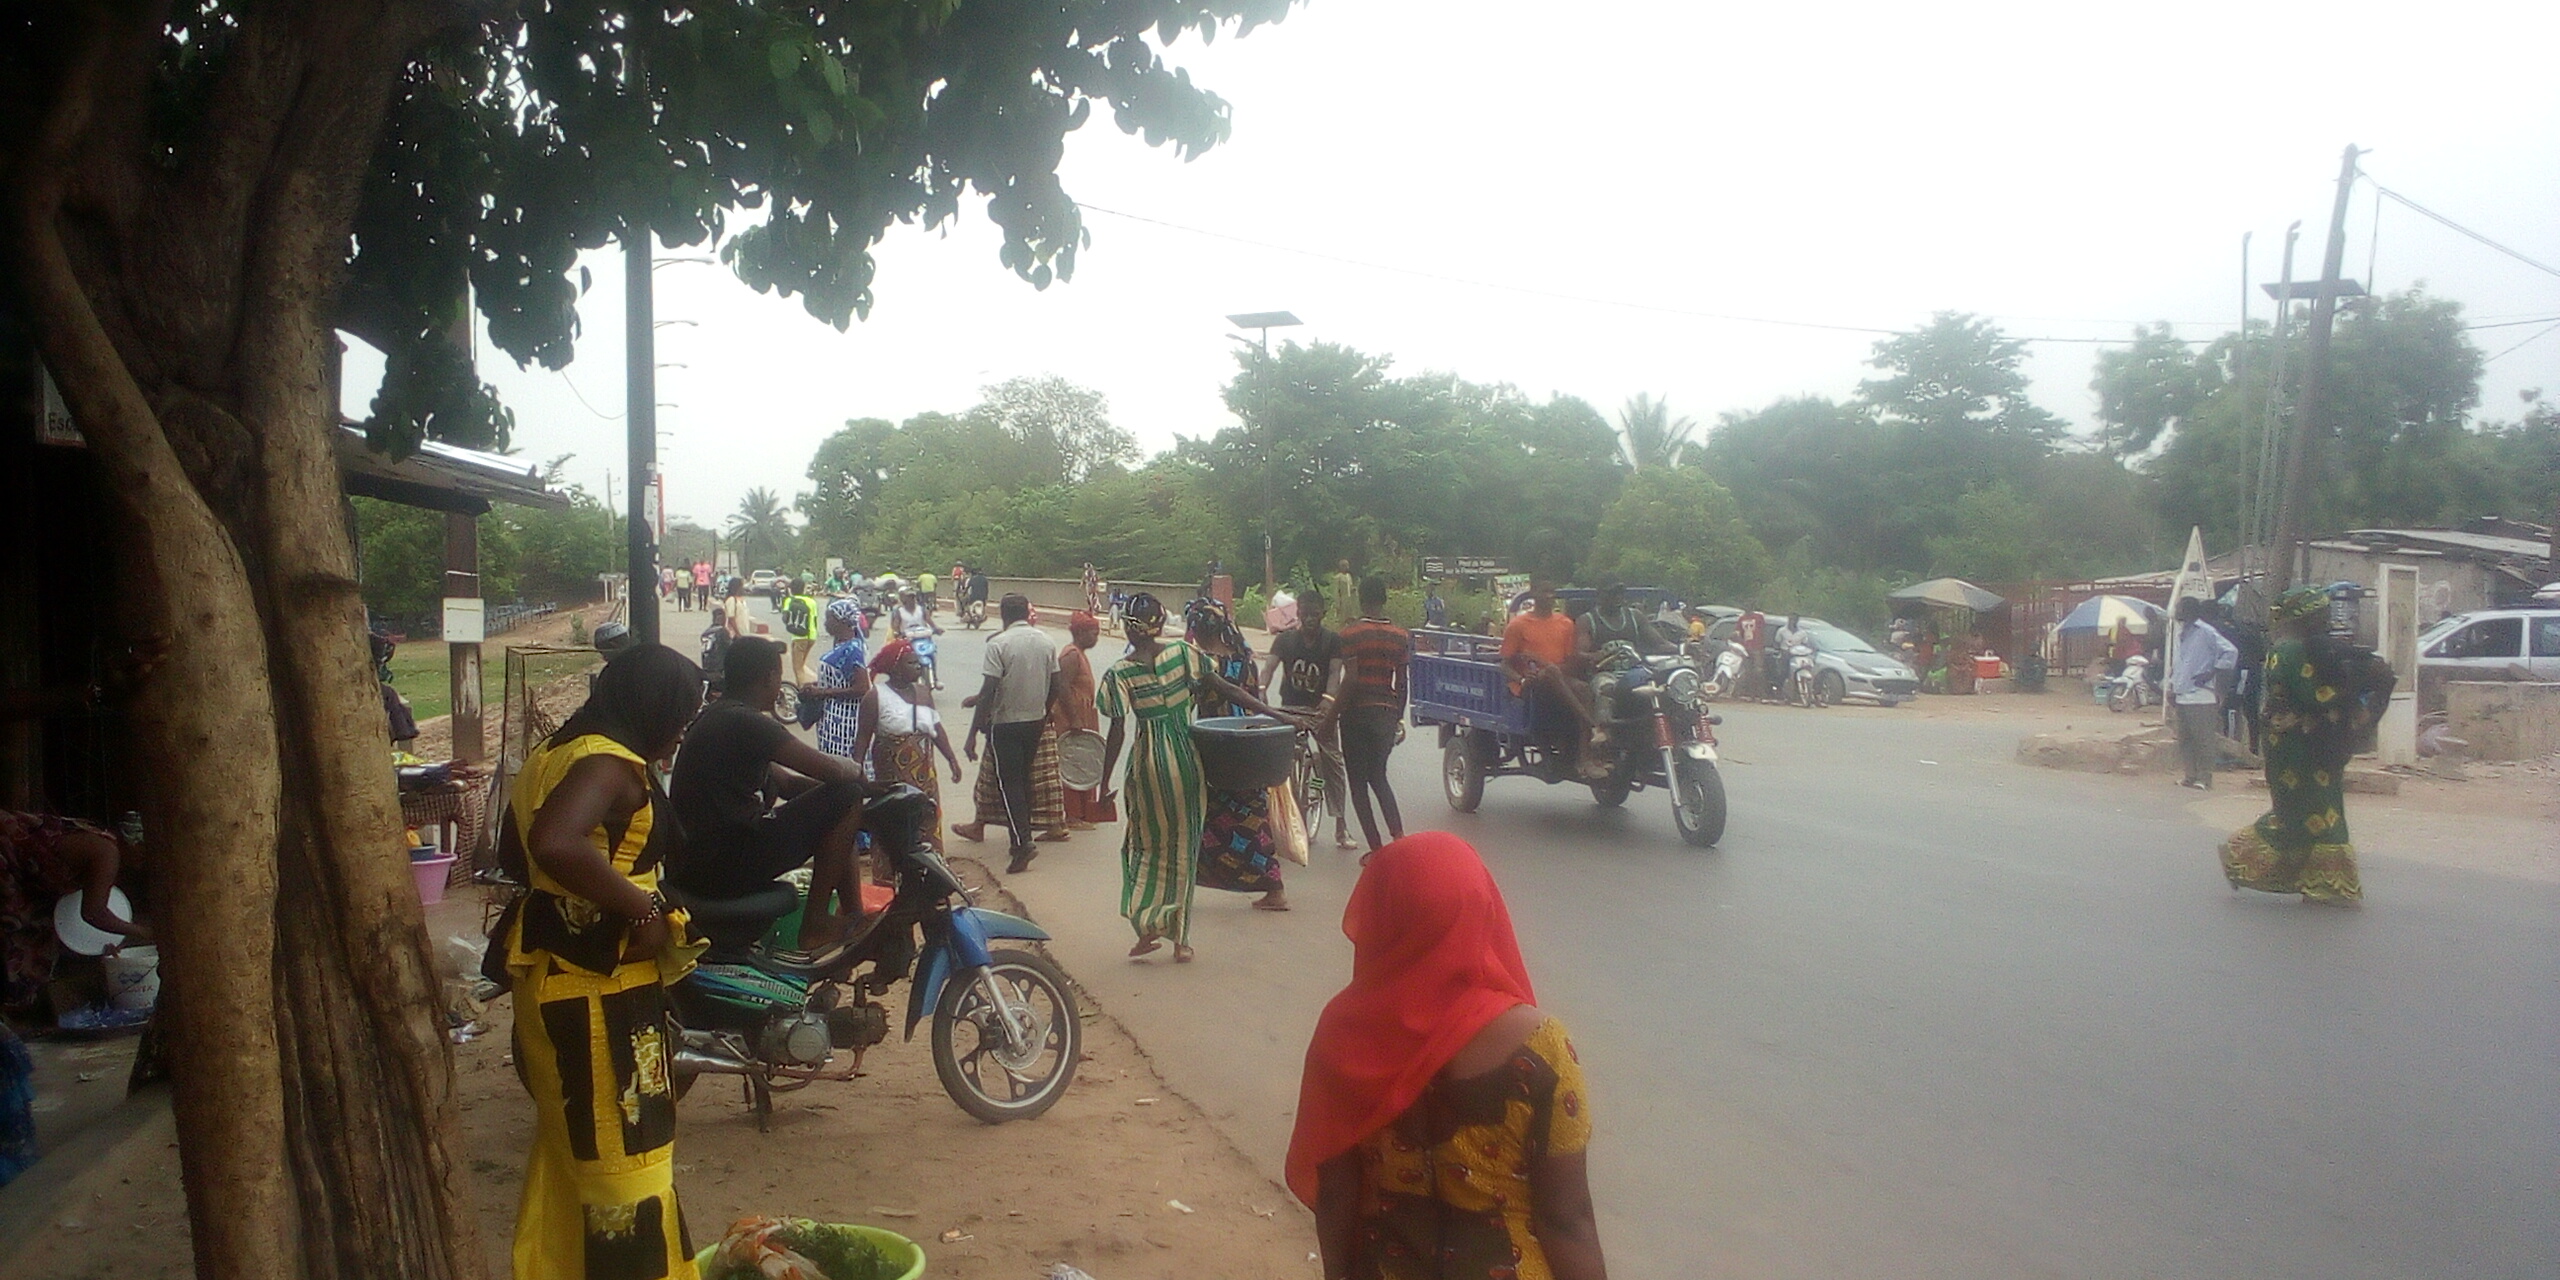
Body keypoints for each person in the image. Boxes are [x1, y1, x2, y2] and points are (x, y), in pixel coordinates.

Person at [1288, 832, 1607, 1280]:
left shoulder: (1345, 1035)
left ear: (1381, 914)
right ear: (1480, 908)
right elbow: (1568, 1219)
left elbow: (1337, 1196)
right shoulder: (1539, 1046)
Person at [497, 643, 706, 1280]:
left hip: (557, 976)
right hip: (595, 989)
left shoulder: (556, 753)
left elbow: (515, 858)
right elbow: (552, 842)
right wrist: (640, 909)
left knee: (578, 1157)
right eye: (680, 715)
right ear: (653, 708)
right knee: (623, 1160)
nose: (680, 730)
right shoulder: (609, 765)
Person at [1096, 593, 1298, 962]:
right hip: (1187, 760)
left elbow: (1116, 730)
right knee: (1185, 849)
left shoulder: (1119, 672)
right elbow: (1231, 690)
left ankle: (1147, 926)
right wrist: (1280, 716)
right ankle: (1182, 942)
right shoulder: (1184, 655)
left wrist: (1102, 782)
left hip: (1147, 767)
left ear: (1127, 626)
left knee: (1144, 847)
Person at [666, 638, 869, 947]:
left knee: (843, 806)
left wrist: (850, 803)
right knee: (847, 797)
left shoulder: (720, 716)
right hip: (723, 860)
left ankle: (853, 916)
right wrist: (858, 776)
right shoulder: (746, 722)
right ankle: (815, 923)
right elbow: (832, 770)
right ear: (769, 677)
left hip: (702, 859)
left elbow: (788, 784)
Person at [2218, 586, 2374, 904]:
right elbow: (2311, 697)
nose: (2326, 621)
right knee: (2311, 809)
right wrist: (2350, 690)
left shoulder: (2289, 648)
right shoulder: (2293, 652)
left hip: (2296, 742)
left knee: (2304, 809)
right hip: (2296, 744)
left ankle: (2319, 880)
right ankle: (2319, 880)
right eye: (2321, 615)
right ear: (2306, 619)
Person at [1184, 600, 1290, 911]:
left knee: (1206, 818)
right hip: (1249, 745)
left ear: (1202, 630)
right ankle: (1272, 887)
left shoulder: (1203, 663)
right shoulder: (1245, 658)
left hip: (1217, 748)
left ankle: (1184, 886)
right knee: (1252, 817)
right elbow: (1256, 698)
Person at [954, 595, 1066, 874]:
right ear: (1026, 613)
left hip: (1005, 724)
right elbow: (1056, 685)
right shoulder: (1046, 642)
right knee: (1021, 782)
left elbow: (989, 691)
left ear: (1003, 614)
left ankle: (1023, 843)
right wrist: (1043, 709)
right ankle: (1019, 842)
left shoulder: (999, 644)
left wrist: (971, 737)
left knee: (1009, 785)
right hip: (1034, 722)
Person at [850, 639, 962, 857]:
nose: (918, 666)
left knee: (925, 818)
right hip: (893, 778)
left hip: (924, 777)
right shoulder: (875, 697)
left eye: (918, 662)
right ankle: (891, 878)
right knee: (895, 824)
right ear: (895, 668)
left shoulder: (923, 693)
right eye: (911, 663)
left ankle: (929, 871)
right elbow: (862, 740)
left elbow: (935, 728)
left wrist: (951, 759)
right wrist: (858, 777)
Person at [1327, 576, 1414, 852]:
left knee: (1358, 783)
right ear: (1384, 599)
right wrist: (1397, 717)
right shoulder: (1401, 636)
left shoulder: (1349, 635)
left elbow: (1349, 680)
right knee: (1379, 776)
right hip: (1386, 713)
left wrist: (1331, 718)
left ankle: (1377, 849)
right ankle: (1399, 838)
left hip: (1355, 713)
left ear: (1361, 599)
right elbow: (1402, 683)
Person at [1266, 589, 1355, 851]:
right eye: (1304, 613)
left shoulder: (1332, 641)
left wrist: (1328, 702)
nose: (1309, 619)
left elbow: (1335, 674)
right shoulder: (1284, 641)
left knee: (1332, 765)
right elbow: (1268, 669)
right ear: (1298, 614)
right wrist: (1259, 690)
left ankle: (1341, 825)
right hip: (1289, 711)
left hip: (1320, 713)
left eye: (1314, 614)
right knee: (1272, 761)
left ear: (1323, 615)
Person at [1500, 582, 1595, 773]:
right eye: (1545, 591)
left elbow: (1570, 661)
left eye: (1552, 592)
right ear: (1533, 594)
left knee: (1583, 688)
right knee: (1551, 673)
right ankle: (1592, 724)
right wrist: (1522, 679)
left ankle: (1585, 754)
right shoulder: (1518, 625)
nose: (1550, 596)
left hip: (1559, 680)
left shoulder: (1566, 624)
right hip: (1532, 683)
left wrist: (1553, 668)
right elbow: (1504, 664)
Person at [2167, 597, 2238, 790]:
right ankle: (2190, 776)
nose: (2176, 610)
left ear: (2189, 611)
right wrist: (2172, 687)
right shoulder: (2182, 633)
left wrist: (2212, 671)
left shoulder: (2206, 632)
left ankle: (2204, 778)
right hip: (2183, 694)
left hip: (2201, 695)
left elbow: (2230, 652)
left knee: (2203, 740)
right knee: (2185, 740)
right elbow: (2181, 664)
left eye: (2180, 608)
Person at [1054, 611, 1114, 830]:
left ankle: (1085, 812)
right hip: (1072, 720)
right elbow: (1061, 687)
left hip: (1084, 716)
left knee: (1087, 764)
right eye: (1093, 633)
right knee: (1074, 765)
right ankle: (1072, 815)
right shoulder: (1070, 655)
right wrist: (1074, 717)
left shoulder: (1080, 653)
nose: (1096, 638)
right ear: (1080, 633)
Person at [806, 599, 871, 762]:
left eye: (829, 619)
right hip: (833, 718)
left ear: (841, 621)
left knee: (842, 765)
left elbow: (862, 688)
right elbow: (841, 680)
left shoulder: (852, 650)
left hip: (844, 722)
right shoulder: (843, 646)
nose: (825, 623)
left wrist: (823, 692)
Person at [892, 589, 942, 688]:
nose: (911, 600)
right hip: (907, 638)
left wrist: (936, 629)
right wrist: (897, 633)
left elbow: (929, 621)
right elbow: (896, 625)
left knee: (931, 654)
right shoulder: (899, 611)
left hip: (922, 637)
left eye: (913, 597)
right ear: (904, 599)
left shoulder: (921, 610)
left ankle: (935, 678)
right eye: (909, 597)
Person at [778, 578, 819, 683]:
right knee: (801, 665)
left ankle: (802, 691)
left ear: (791, 589)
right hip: (812, 636)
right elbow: (814, 619)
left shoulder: (789, 600)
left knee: (798, 669)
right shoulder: (811, 601)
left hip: (799, 637)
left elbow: (785, 618)